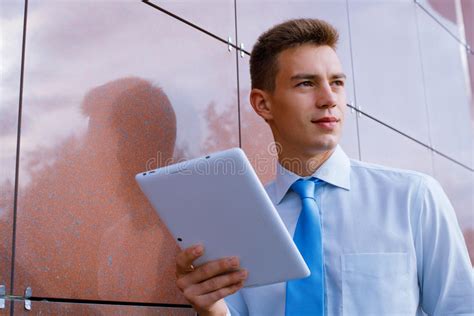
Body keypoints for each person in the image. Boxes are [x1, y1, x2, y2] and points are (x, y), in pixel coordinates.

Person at [174, 18, 474, 315]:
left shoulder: (414, 198)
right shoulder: (241, 222)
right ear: (263, 104)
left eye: (337, 83)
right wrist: (210, 308)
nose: (329, 99)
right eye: (306, 83)